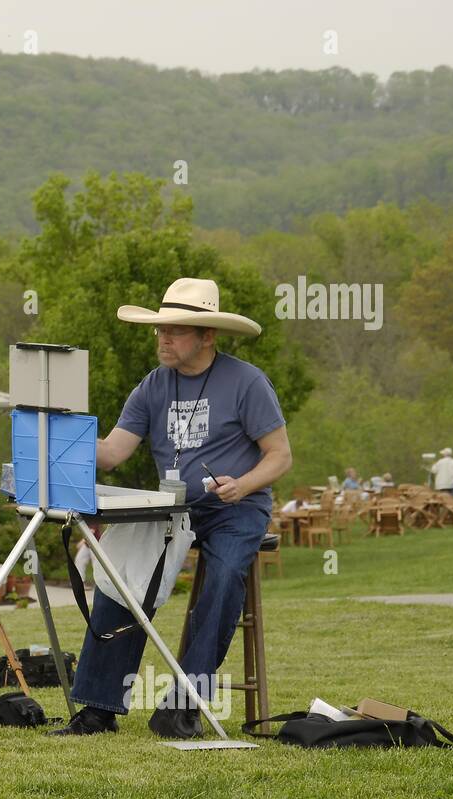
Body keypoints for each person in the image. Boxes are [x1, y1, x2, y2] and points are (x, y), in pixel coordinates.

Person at [50, 277, 292, 739]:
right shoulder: (152, 386)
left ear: (207, 335)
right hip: (171, 506)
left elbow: (280, 455)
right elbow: (114, 453)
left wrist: (241, 486)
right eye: (160, 330)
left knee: (223, 578)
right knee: (119, 569)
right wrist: (58, 430)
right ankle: (98, 708)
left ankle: (182, 703)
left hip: (235, 507)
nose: (163, 338)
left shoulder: (246, 381)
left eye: (175, 330)